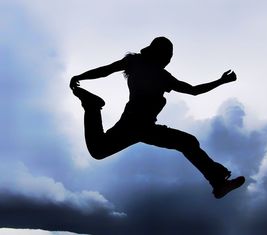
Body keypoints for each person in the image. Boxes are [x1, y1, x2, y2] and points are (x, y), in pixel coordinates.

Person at [70, 37, 245, 199]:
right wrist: (220, 82)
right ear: (159, 54)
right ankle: (91, 105)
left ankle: (218, 182)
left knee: (187, 142)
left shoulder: (141, 66)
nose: (169, 60)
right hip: (137, 126)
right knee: (99, 150)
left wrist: (80, 77)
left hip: (140, 127)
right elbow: (193, 90)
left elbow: (106, 71)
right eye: (168, 56)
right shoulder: (154, 72)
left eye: (171, 56)